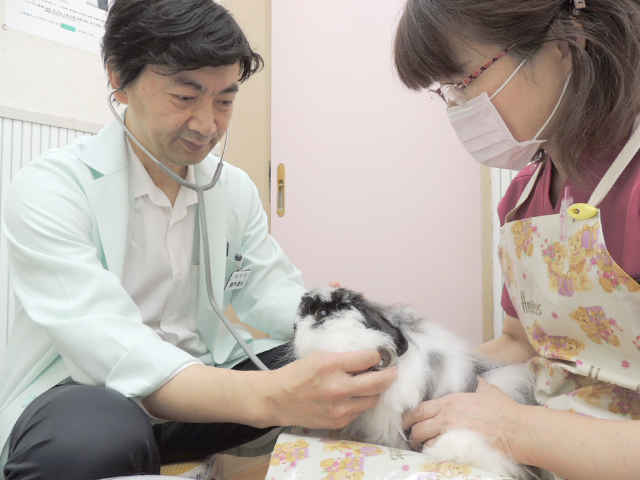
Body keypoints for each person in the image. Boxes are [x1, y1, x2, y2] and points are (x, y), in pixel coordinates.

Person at [0, 1, 397, 478]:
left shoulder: (232, 189)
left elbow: (267, 288)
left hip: (199, 391)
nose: (207, 124)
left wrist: (337, 322)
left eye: (224, 101)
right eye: (185, 98)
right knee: (92, 443)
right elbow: (108, 343)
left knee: (343, 367)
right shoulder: (53, 187)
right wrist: (269, 398)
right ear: (118, 80)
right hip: (86, 394)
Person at [394, 0, 640, 478]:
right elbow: (519, 344)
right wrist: (421, 375)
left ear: (566, 40)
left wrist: (516, 429)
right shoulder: (524, 200)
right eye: (444, 91)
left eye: (464, 80)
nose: (457, 105)